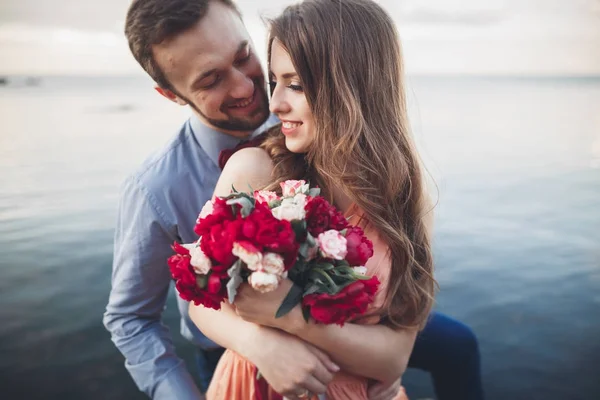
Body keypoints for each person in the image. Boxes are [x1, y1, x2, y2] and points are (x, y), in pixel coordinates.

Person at [104, 0, 484, 399]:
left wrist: (309, 326)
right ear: (171, 93)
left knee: (458, 345)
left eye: (245, 58)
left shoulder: (316, 130)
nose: (252, 92)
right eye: (211, 79)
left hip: (356, 343)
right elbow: (145, 315)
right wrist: (257, 345)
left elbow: (393, 353)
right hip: (234, 343)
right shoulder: (160, 186)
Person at [188, 1, 437, 399]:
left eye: (296, 84)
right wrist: (260, 344)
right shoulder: (255, 172)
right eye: (274, 82)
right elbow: (201, 299)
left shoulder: (404, 194)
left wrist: (294, 319)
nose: (274, 104)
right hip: (257, 382)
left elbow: (394, 359)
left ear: (353, 86)